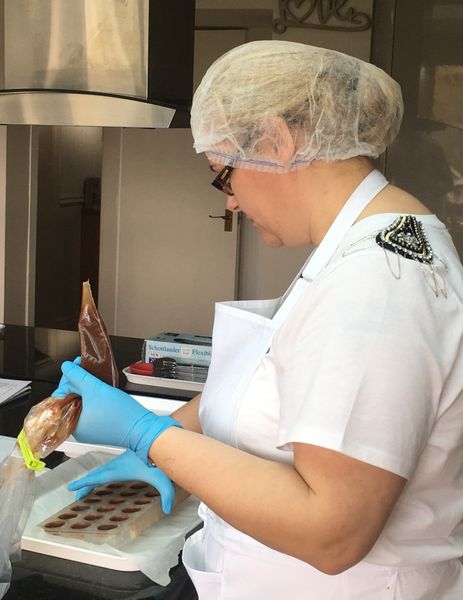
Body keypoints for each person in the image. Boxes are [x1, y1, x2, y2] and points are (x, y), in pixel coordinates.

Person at [53, 41, 463, 599]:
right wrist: (173, 439)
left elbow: (332, 532)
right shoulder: (369, 246)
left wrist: (149, 436)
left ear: (276, 141)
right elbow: (275, 382)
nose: (231, 203)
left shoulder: (378, 283)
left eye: (225, 176)